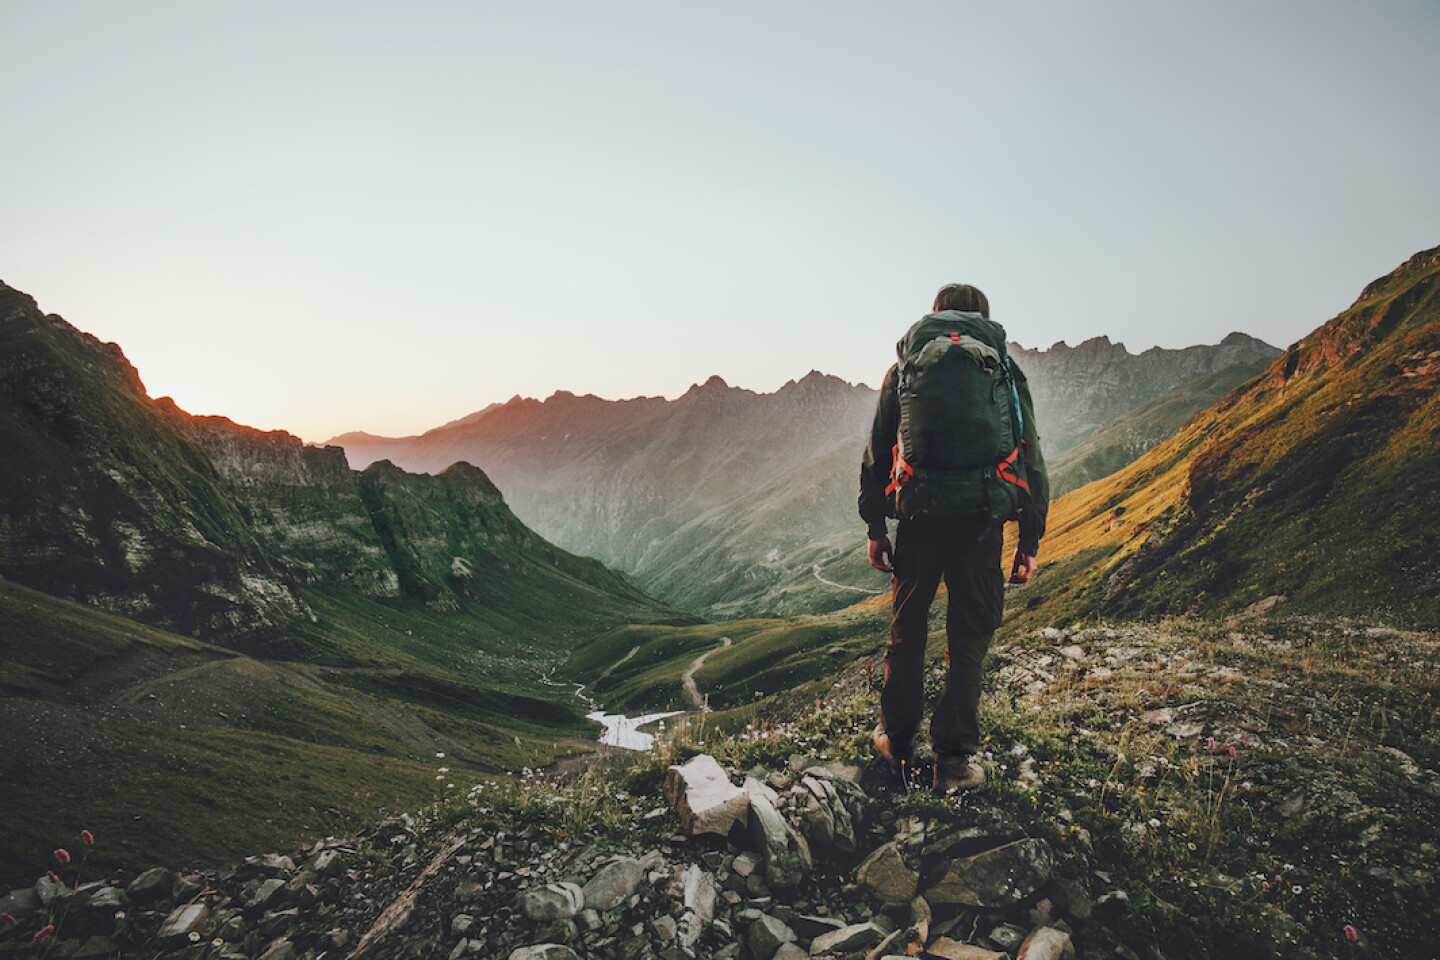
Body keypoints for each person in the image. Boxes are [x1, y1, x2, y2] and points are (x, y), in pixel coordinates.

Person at [858, 283, 1049, 792]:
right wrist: (1030, 541)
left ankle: (897, 743)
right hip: (982, 523)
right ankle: (954, 762)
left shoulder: (905, 369)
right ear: (984, 318)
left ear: (936, 315)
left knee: (908, 632)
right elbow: (1031, 456)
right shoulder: (1005, 371)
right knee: (969, 639)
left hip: (919, 518)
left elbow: (878, 452)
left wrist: (876, 528)